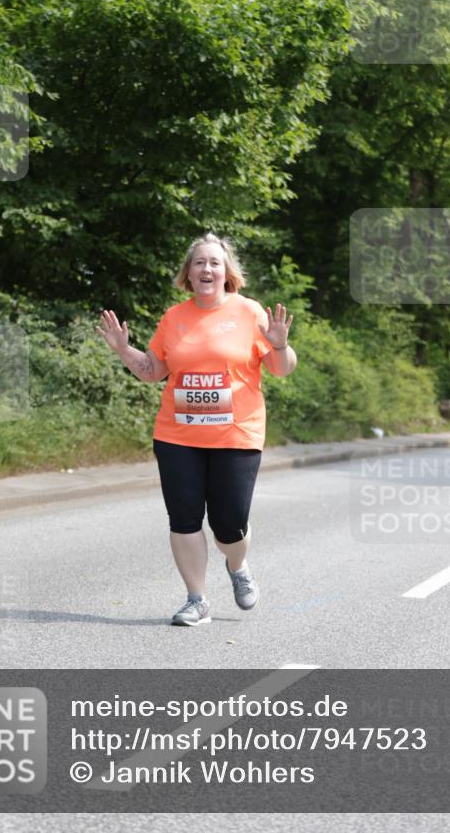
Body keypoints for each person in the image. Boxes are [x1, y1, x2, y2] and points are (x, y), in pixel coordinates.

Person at [95, 232, 297, 626]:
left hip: (236, 434)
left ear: (227, 273)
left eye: (214, 263)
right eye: (199, 262)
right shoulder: (175, 318)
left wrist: (278, 346)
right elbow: (153, 371)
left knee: (230, 525)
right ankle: (197, 599)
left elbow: (281, 368)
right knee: (184, 518)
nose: (207, 268)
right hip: (177, 436)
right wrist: (123, 350)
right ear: (188, 273)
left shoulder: (249, 312)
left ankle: (237, 566)